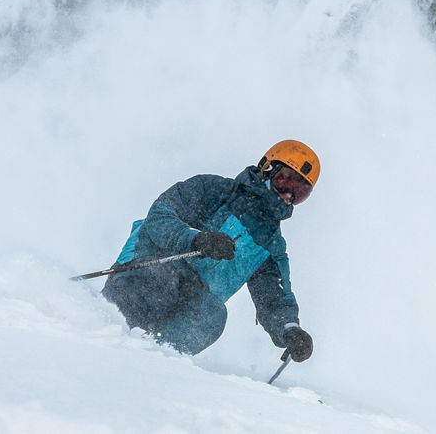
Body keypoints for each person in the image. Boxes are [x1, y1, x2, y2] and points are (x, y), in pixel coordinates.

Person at [101, 140, 319, 359]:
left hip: (192, 298)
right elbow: (160, 214)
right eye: (286, 181)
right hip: (147, 269)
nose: (289, 195)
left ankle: (154, 361)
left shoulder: (271, 246)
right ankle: (98, 330)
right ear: (267, 169)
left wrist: (290, 331)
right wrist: (196, 240)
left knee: (213, 316)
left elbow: (275, 298)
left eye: (300, 192)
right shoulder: (214, 190)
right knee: (164, 280)